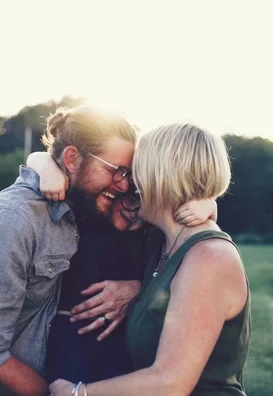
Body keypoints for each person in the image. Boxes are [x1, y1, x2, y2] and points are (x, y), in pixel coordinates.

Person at [0, 106, 137, 396]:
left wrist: (135, 288)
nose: (123, 184)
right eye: (114, 170)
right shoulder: (11, 223)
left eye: (127, 173)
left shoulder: (77, 209)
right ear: (71, 159)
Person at [50, 123, 252, 396]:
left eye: (137, 172)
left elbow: (170, 383)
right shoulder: (160, 244)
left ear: (162, 176)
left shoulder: (209, 257)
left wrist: (77, 393)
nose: (129, 184)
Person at [25, 153, 217, 384]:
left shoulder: (153, 233)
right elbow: (39, 157)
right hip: (71, 335)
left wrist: (210, 203)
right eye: (126, 196)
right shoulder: (87, 213)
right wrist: (47, 169)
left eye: (140, 199)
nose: (133, 209)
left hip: (123, 338)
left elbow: (179, 264)